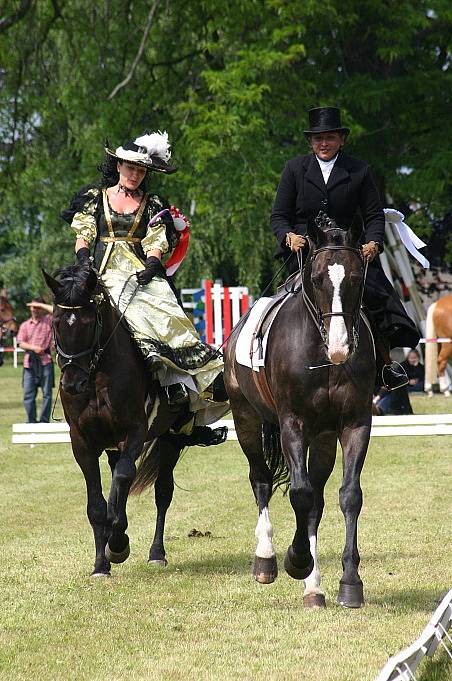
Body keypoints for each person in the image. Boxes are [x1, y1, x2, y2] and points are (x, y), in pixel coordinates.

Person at [60, 130, 228, 427]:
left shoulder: (152, 203)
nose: (135, 174)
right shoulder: (94, 198)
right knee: (71, 319)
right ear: (118, 166)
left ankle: (176, 388)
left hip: (140, 274)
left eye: (140, 170)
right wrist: (84, 259)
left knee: (168, 316)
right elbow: (84, 234)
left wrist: (152, 263)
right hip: (100, 275)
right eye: (130, 168)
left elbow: (156, 240)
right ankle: (72, 384)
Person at [270, 106, 420, 390]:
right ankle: (261, 359)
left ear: (341, 139)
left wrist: (374, 242)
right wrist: (288, 236)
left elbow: (374, 215)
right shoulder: (294, 168)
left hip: (350, 252)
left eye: (329, 137)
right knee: (275, 304)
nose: (323, 144)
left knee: (378, 298)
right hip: (307, 252)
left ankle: (385, 364)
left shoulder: (359, 170)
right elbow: (279, 216)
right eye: (317, 139)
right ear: (310, 142)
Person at [17, 297, 54, 423]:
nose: (35, 309)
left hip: (46, 362)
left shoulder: (49, 321)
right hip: (30, 363)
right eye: (33, 307)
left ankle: (44, 421)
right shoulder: (25, 325)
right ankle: (31, 421)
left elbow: (55, 310)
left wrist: (41, 305)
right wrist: (34, 348)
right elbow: (21, 343)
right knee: (28, 394)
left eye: (37, 307)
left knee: (47, 394)